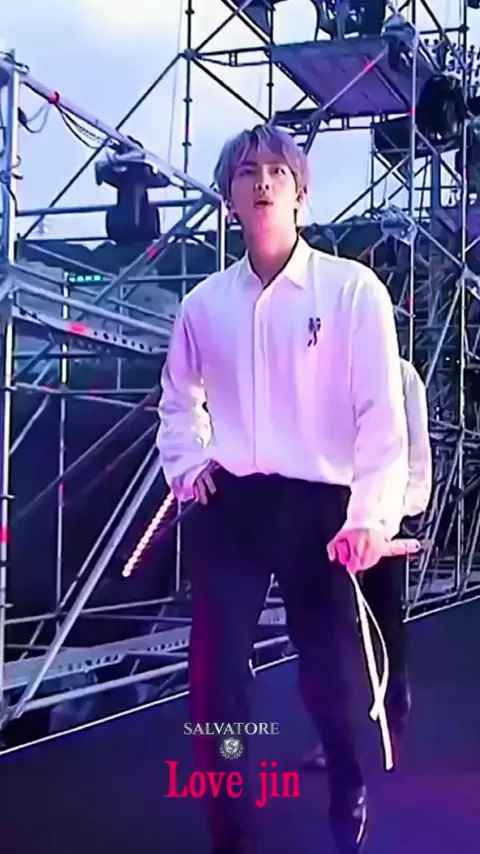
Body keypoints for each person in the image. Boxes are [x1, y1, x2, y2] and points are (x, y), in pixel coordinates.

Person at [156, 124, 409, 854]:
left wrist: (370, 516)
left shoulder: (352, 290)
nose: (262, 181)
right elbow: (178, 401)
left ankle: (348, 777)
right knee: (215, 684)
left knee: (330, 676)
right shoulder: (204, 304)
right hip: (232, 505)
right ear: (229, 197)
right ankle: (229, 825)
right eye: (247, 172)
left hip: (319, 506)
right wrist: (189, 465)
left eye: (276, 171)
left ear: (300, 192)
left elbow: (380, 414)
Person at [301, 357, 432, 771]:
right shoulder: (322, 367)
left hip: (382, 514)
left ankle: (393, 700)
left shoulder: (402, 374)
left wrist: (399, 512)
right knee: (333, 626)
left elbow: (416, 450)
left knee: (382, 614)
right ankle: (340, 733)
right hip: (328, 513)